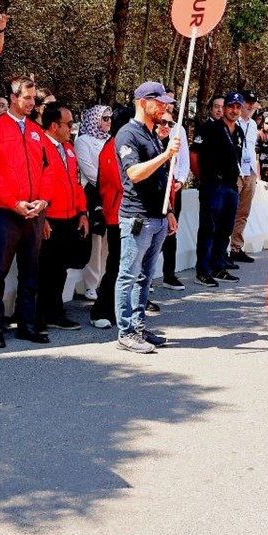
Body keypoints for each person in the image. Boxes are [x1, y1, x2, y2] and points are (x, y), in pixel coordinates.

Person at [0, 75, 50, 348]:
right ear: (13, 98)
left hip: (33, 213)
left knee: (30, 273)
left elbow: (46, 169)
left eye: (34, 99)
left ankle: (26, 325)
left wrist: (42, 200)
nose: (32, 103)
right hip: (5, 213)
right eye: (27, 98)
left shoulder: (36, 132)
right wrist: (13, 203)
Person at [113, 82, 179, 354]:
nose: (165, 107)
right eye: (159, 102)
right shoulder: (127, 134)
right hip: (137, 217)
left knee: (146, 277)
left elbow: (160, 179)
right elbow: (135, 173)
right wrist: (165, 155)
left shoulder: (151, 133)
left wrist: (169, 212)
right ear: (143, 102)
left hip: (158, 217)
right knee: (128, 275)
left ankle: (139, 327)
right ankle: (126, 331)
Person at [36, 102, 89, 331]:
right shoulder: (39, 146)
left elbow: (76, 183)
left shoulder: (68, 148)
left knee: (60, 269)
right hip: (51, 217)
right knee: (45, 268)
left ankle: (55, 312)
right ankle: (41, 314)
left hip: (69, 216)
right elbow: (36, 183)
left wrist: (82, 212)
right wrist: (42, 217)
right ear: (54, 125)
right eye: (68, 123)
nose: (71, 127)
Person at [190, 91, 245, 287]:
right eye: (231, 106)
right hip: (213, 185)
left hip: (231, 186)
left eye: (238, 107)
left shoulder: (239, 132)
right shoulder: (209, 129)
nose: (234, 110)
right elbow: (194, 156)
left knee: (225, 229)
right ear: (224, 109)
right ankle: (202, 271)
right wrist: (204, 179)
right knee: (208, 228)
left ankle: (218, 265)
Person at [89, 106, 134, 329]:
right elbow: (121, 181)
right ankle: (100, 309)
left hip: (125, 212)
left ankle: (116, 308)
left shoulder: (120, 145)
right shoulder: (113, 147)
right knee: (116, 265)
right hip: (117, 214)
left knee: (124, 266)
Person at [75, 105, 112, 301]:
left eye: (109, 118)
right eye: (104, 118)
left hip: (110, 195)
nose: (108, 121)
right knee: (95, 242)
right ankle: (89, 284)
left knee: (107, 242)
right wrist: (109, 181)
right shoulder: (83, 141)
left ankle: (102, 283)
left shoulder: (110, 140)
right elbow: (89, 170)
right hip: (92, 194)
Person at [159, 92, 190, 290]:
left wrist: (180, 180)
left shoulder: (179, 129)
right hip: (156, 188)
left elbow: (184, 158)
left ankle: (169, 274)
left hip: (173, 188)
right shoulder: (152, 128)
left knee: (171, 231)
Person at [229, 90, 260, 264]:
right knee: (229, 211)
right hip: (235, 171)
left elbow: (252, 148)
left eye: (252, 102)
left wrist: (256, 172)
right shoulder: (234, 122)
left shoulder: (254, 125)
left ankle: (236, 247)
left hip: (249, 172)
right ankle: (221, 251)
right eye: (246, 102)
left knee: (243, 212)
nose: (249, 105)